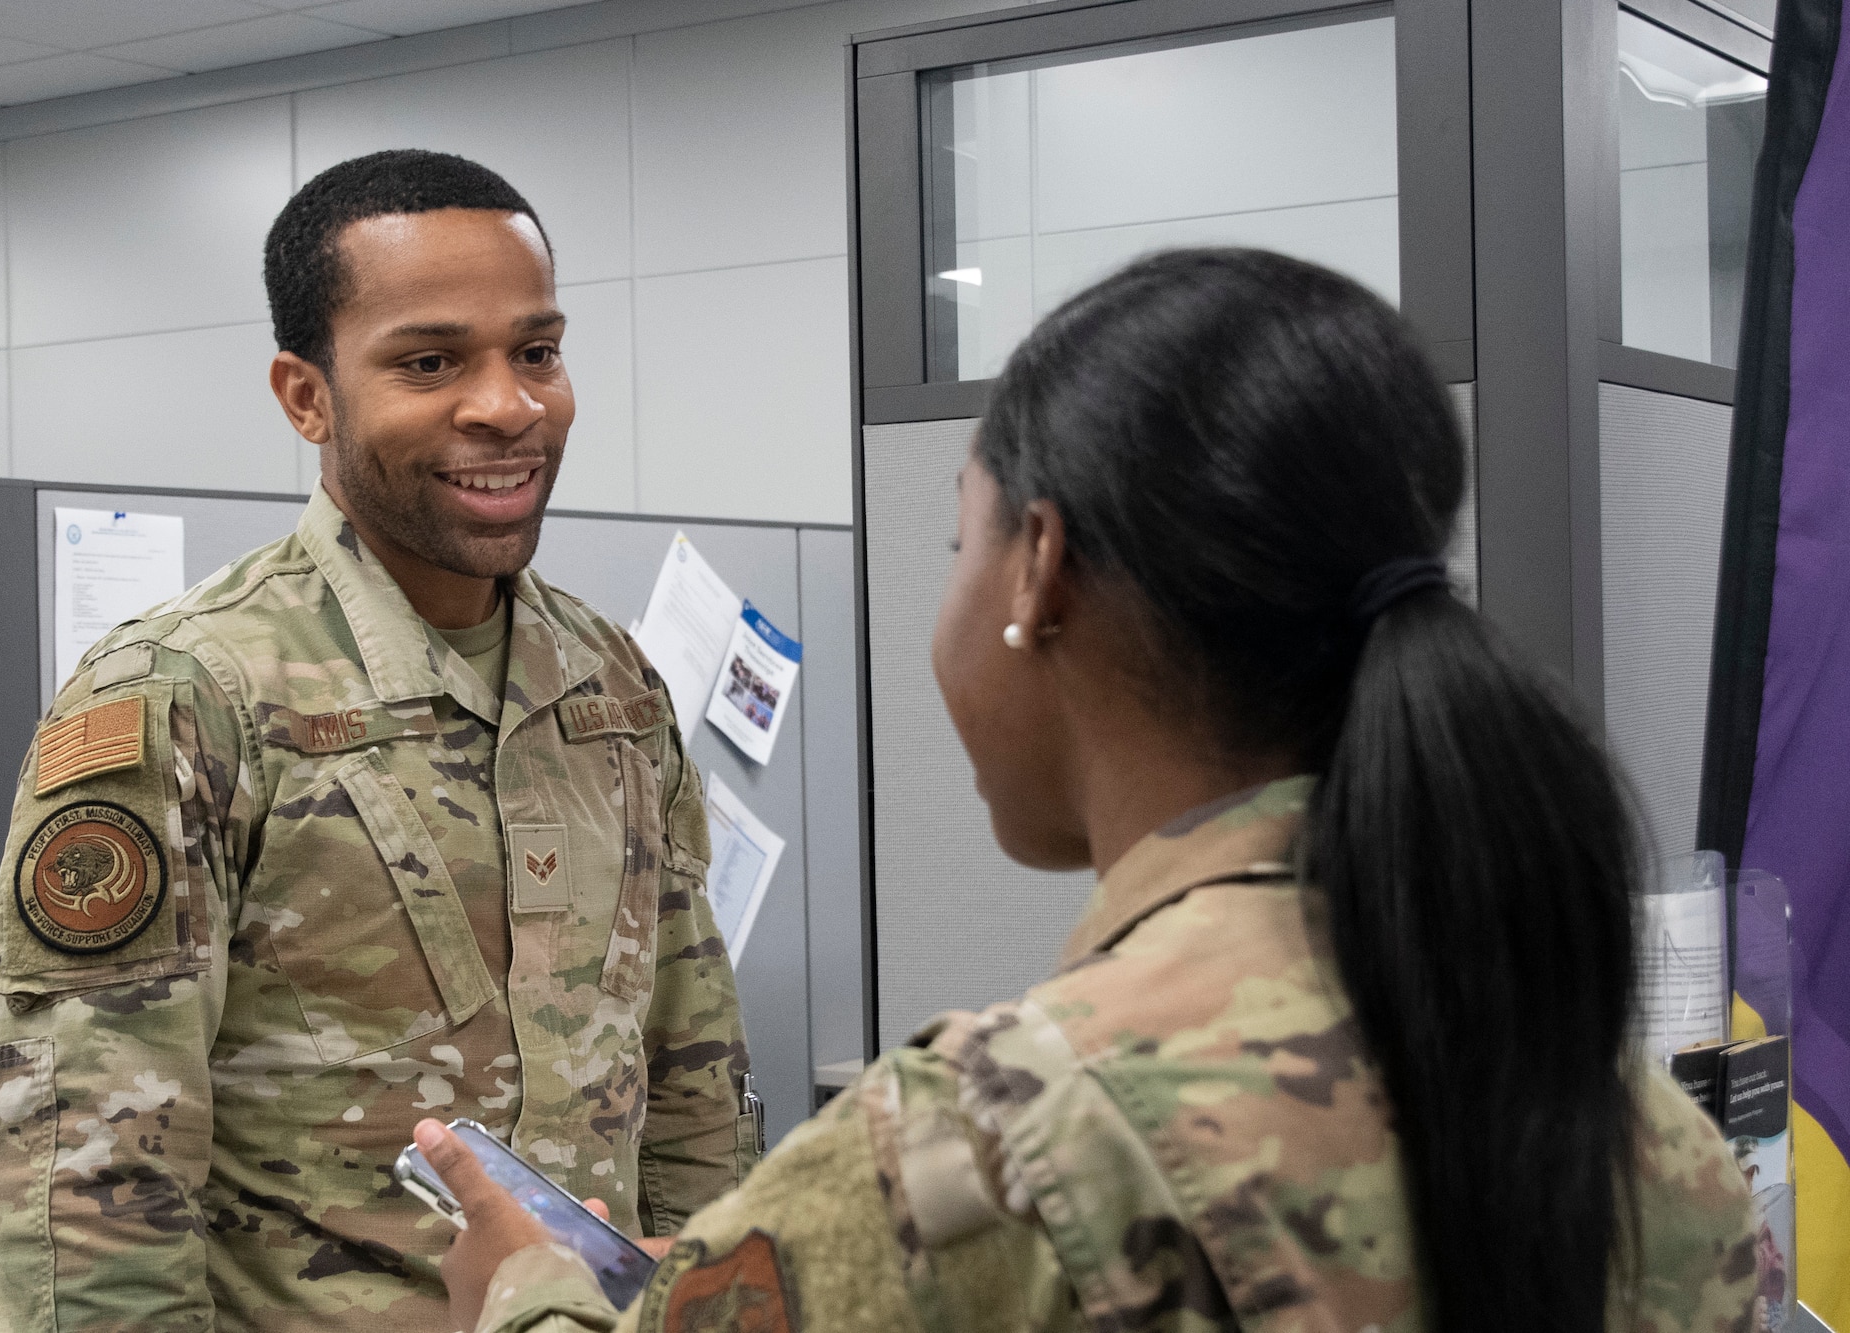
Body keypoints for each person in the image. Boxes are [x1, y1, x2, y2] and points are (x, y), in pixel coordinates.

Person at [422, 248, 1761, 1333]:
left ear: (1039, 569)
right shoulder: (1622, 1114)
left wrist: (527, 1288)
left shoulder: (1003, 1137)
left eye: (963, 541)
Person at [0, 150, 755, 1333]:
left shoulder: (611, 685)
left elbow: (693, 1082)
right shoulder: (183, 696)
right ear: (306, 396)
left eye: (535, 351)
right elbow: (86, 1192)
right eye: (429, 361)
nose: (508, 404)